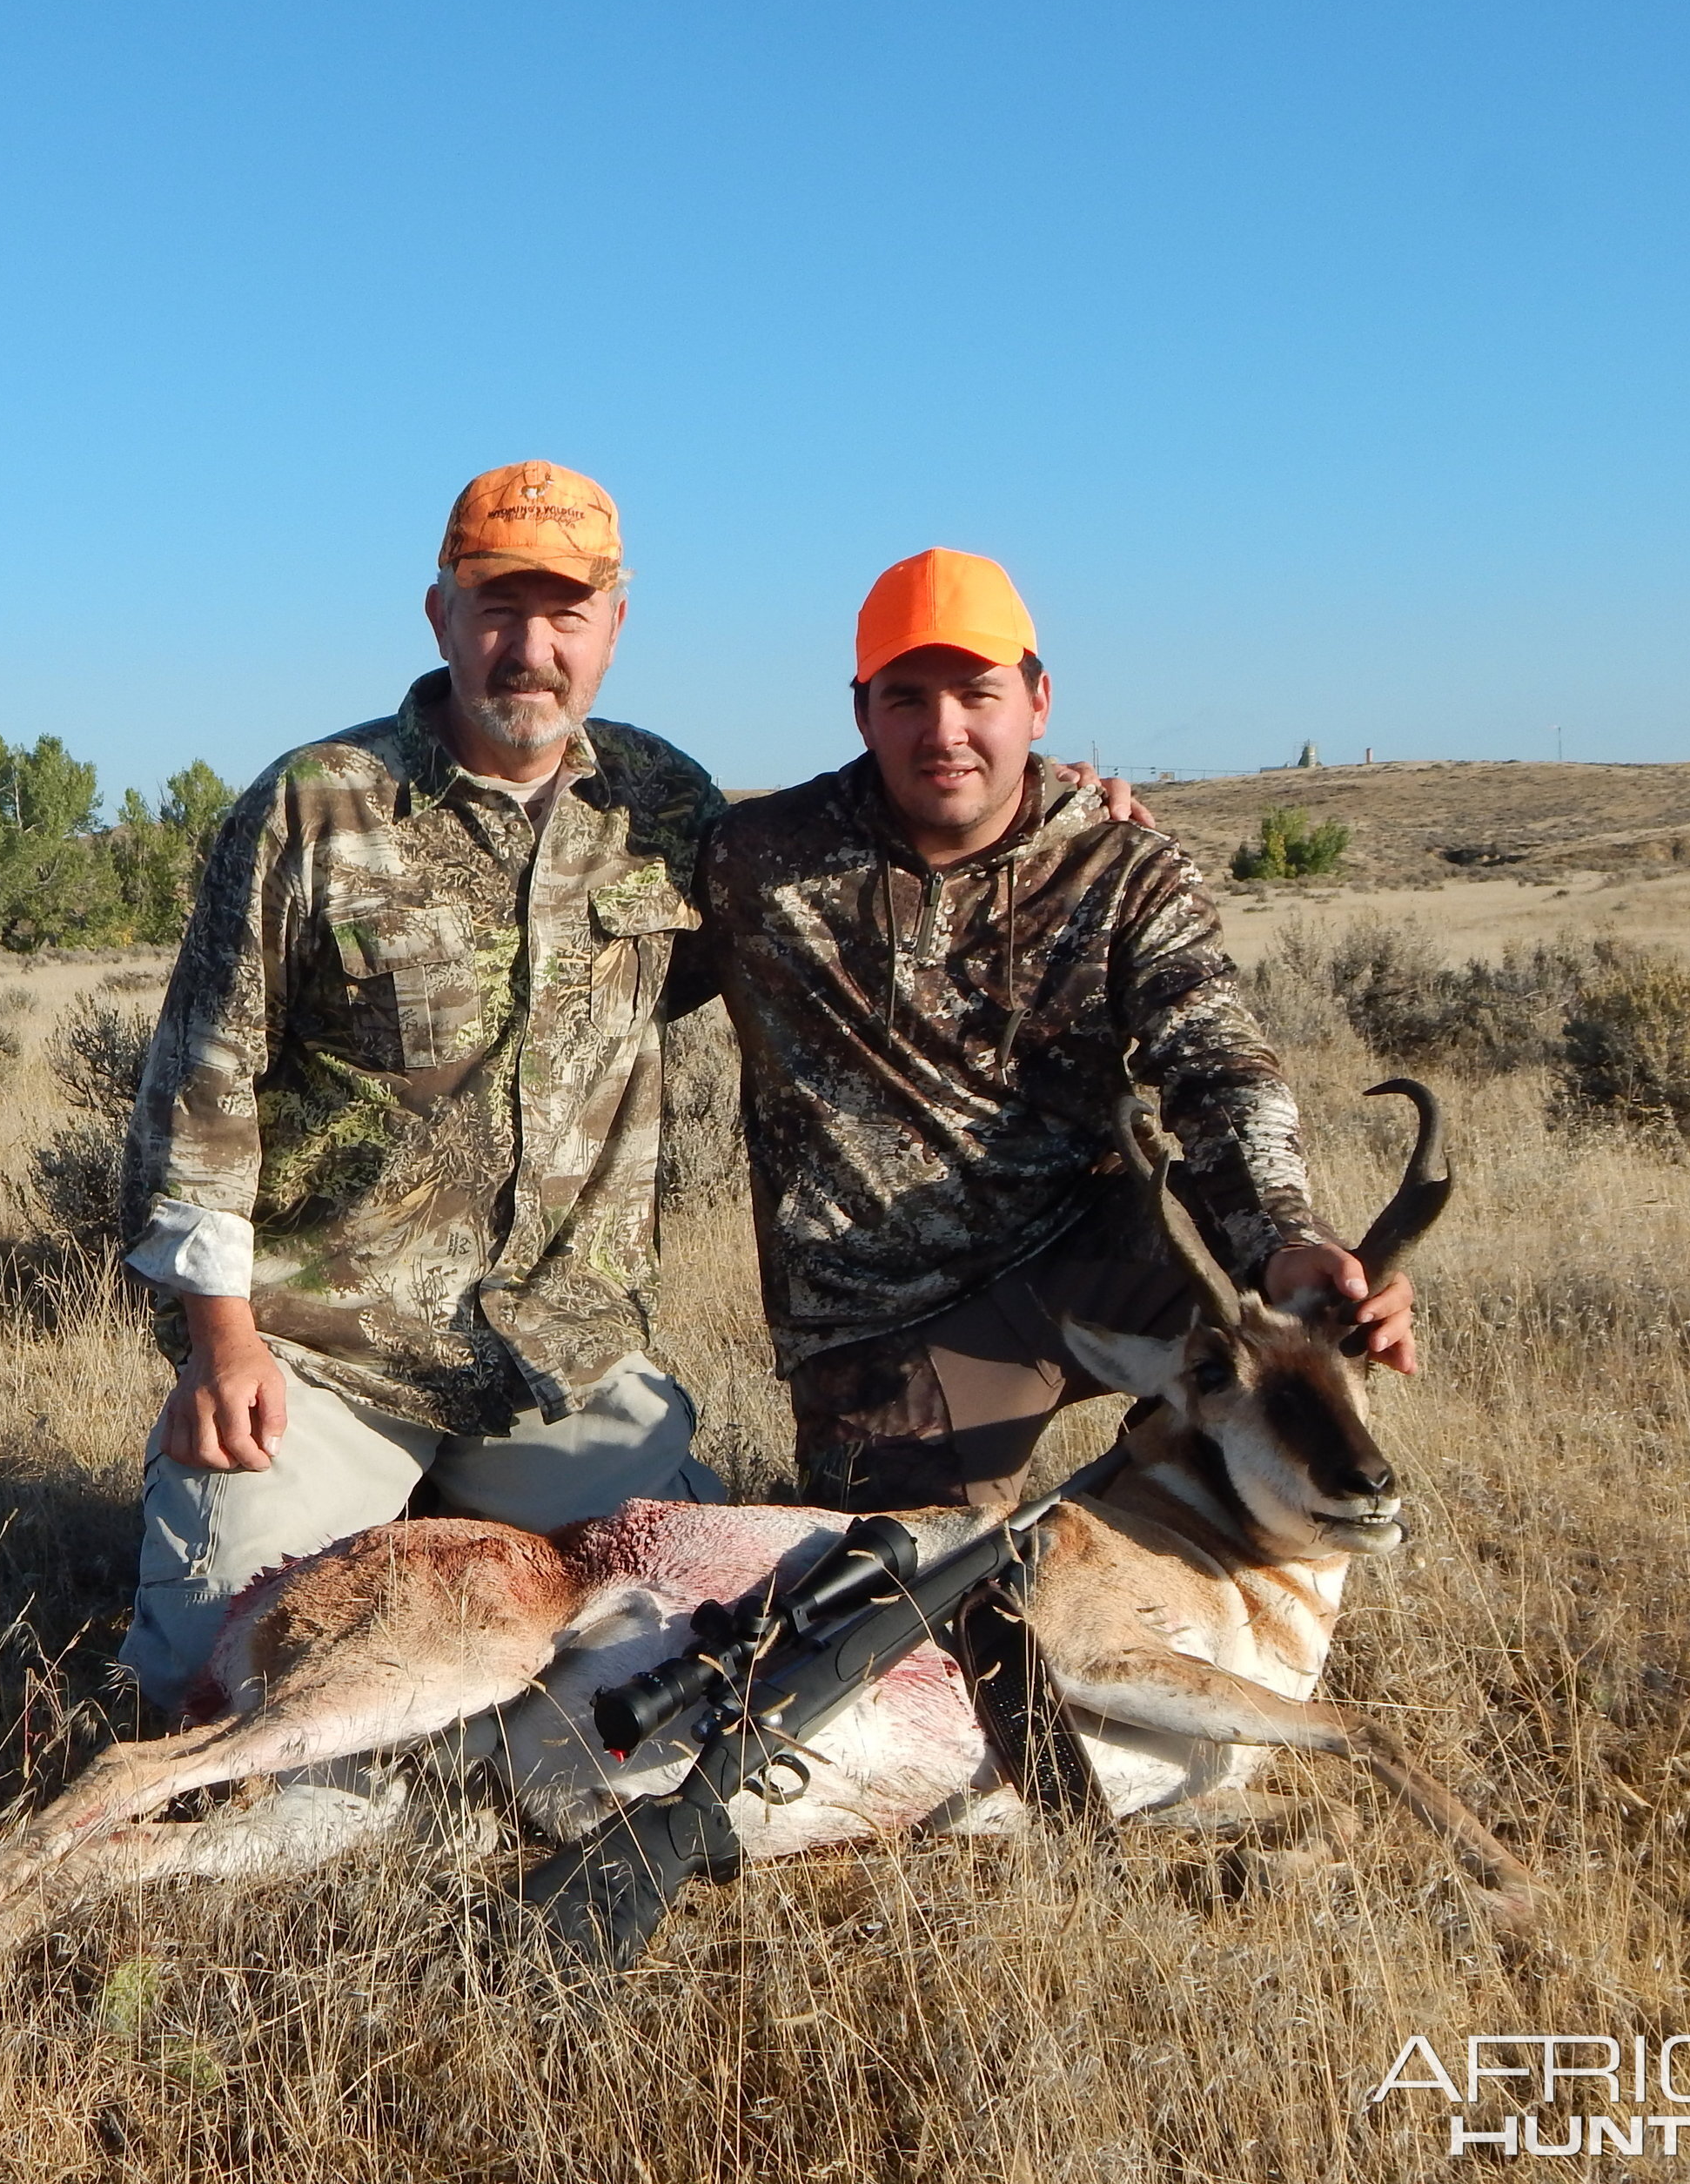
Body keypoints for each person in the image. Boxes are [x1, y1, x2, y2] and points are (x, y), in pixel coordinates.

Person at [111, 461, 728, 1710]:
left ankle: (461, 1515)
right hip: (327, 1355)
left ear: (617, 626)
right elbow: (201, 1088)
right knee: (218, 1683)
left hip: (560, 1357)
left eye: (566, 614)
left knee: (708, 1645)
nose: (530, 649)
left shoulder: (666, 806)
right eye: (498, 609)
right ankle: (366, 1501)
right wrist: (220, 1347)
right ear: (440, 613)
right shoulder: (313, 806)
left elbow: (870, 870)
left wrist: (1068, 816)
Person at [698, 547, 1416, 1514]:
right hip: (885, 1314)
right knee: (910, 1601)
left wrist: (1289, 1241)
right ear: (862, 711)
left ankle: (1213, 1558)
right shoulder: (758, 861)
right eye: (907, 698)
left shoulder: (1124, 866)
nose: (944, 731)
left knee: (1308, 1375)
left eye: (977, 694)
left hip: (1101, 1254)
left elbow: (1216, 1068)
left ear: (1039, 702)